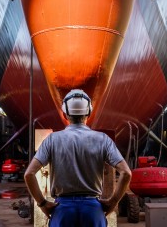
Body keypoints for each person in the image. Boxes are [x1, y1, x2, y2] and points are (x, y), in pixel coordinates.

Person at [24, 89, 132, 226]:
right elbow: (126, 172)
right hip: (93, 210)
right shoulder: (103, 140)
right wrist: (113, 201)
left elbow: (29, 174)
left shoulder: (52, 140)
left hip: (62, 210)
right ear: (89, 113)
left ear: (64, 114)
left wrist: (42, 203)